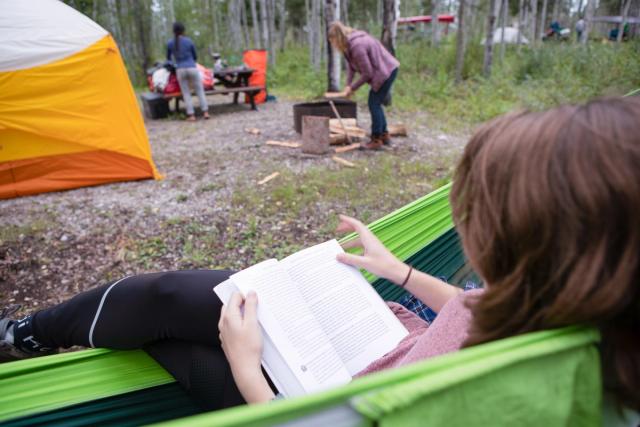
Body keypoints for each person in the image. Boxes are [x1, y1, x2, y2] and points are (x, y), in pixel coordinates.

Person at [1, 98, 639, 422]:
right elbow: (482, 308)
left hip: (320, 396)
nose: (468, 227)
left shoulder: (536, 392)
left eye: (482, 215)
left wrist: (249, 371)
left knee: (163, 339)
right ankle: (26, 334)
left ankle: (26, 344)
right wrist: (401, 271)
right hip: (382, 341)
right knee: (170, 296)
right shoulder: (582, 311)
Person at [327, 22, 399, 150]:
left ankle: (376, 140)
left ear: (337, 38)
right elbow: (351, 66)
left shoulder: (357, 46)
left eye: (332, 41)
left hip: (387, 71)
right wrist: (348, 85)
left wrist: (353, 88)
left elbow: (367, 73)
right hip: (384, 70)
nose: (333, 45)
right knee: (375, 103)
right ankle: (384, 135)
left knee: (374, 103)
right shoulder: (348, 45)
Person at [167, 22, 209, 122]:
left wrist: (174, 64)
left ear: (173, 31)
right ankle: (205, 112)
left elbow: (168, 59)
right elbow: (195, 56)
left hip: (180, 69)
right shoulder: (189, 41)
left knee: (186, 93)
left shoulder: (170, 43)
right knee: (199, 91)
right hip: (192, 67)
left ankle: (191, 115)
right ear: (183, 30)